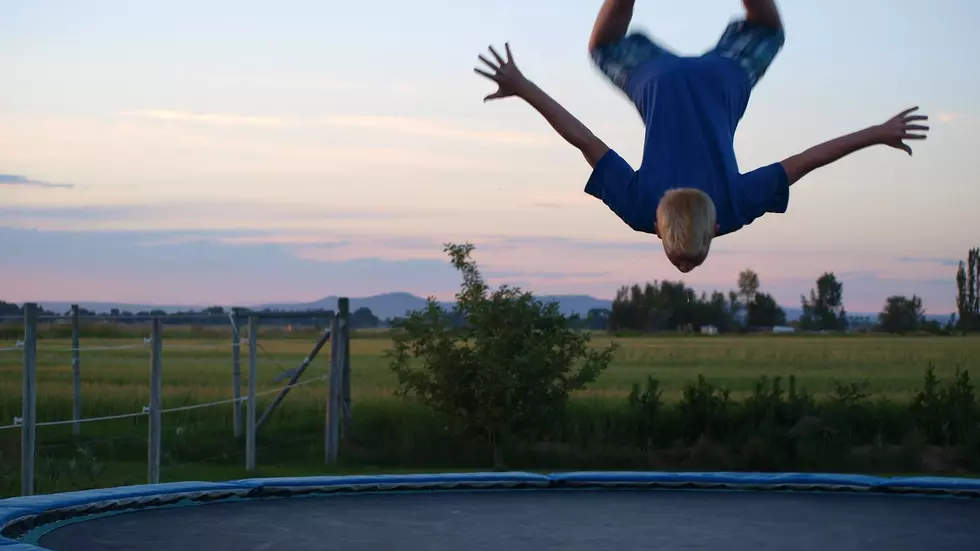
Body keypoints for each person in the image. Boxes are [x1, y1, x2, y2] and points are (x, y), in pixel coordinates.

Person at [474, 0, 929, 273]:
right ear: (661, 226)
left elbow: (806, 160)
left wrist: (877, 133)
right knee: (602, 46)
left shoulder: (733, 207)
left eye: (682, 260)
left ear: (712, 229)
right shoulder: (639, 208)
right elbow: (583, 140)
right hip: (658, 80)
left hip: (723, 79)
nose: (686, 269)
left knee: (768, 28)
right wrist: (525, 87)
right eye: (689, 259)